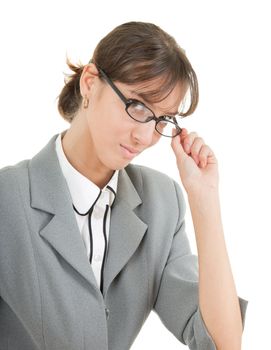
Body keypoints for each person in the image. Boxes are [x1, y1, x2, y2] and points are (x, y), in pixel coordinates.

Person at [0, 21, 247, 350]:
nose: (145, 137)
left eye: (163, 120)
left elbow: (221, 343)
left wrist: (205, 201)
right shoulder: (7, 198)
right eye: (138, 107)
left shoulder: (161, 202)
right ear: (90, 83)